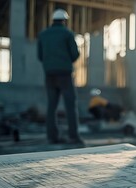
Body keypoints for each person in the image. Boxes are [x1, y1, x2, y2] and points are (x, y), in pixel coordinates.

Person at [37, 9, 83, 145]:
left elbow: (40, 56)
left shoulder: (43, 35)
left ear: (53, 20)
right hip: (64, 74)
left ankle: (52, 137)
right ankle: (73, 136)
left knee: (51, 106)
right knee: (70, 105)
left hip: (49, 74)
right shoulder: (67, 34)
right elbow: (75, 54)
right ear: (64, 21)